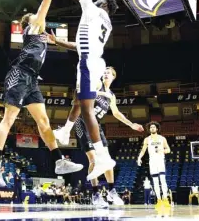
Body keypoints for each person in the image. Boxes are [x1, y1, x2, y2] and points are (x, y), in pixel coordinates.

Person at [0, 0, 83, 187]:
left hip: (32, 80)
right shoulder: (33, 27)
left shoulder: (41, 35)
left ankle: (59, 160)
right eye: (38, 17)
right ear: (29, 22)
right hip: (19, 73)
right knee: (10, 118)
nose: (42, 18)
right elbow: (46, 1)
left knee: (44, 122)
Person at [59, 0, 119, 181]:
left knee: (86, 110)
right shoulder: (107, 24)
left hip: (88, 62)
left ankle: (102, 156)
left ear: (103, 4)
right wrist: (59, 42)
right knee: (78, 98)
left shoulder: (94, 10)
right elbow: (84, 44)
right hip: (91, 60)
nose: (95, 0)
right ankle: (64, 131)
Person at [51, 65, 144, 208]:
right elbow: (87, 92)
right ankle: (95, 194)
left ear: (113, 77)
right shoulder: (98, 84)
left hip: (96, 126)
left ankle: (112, 191)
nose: (106, 74)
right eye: (104, 72)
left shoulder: (112, 95)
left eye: (109, 73)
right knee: (93, 160)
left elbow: (116, 113)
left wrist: (131, 124)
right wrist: (103, 94)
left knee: (106, 160)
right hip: (82, 122)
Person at [137, 122, 171, 208]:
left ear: (157, 129)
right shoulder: (147, 139)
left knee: (163, 181)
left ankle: (165, 199)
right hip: (152, 162)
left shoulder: (162, 138)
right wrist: (139, 158)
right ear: (149, 129)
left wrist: (162, 151)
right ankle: (159, 200)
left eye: (154, 127)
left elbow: (168, 150)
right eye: (151, 127)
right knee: (155, 182)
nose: (152, 128)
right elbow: (143, 150)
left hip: (160, 161)